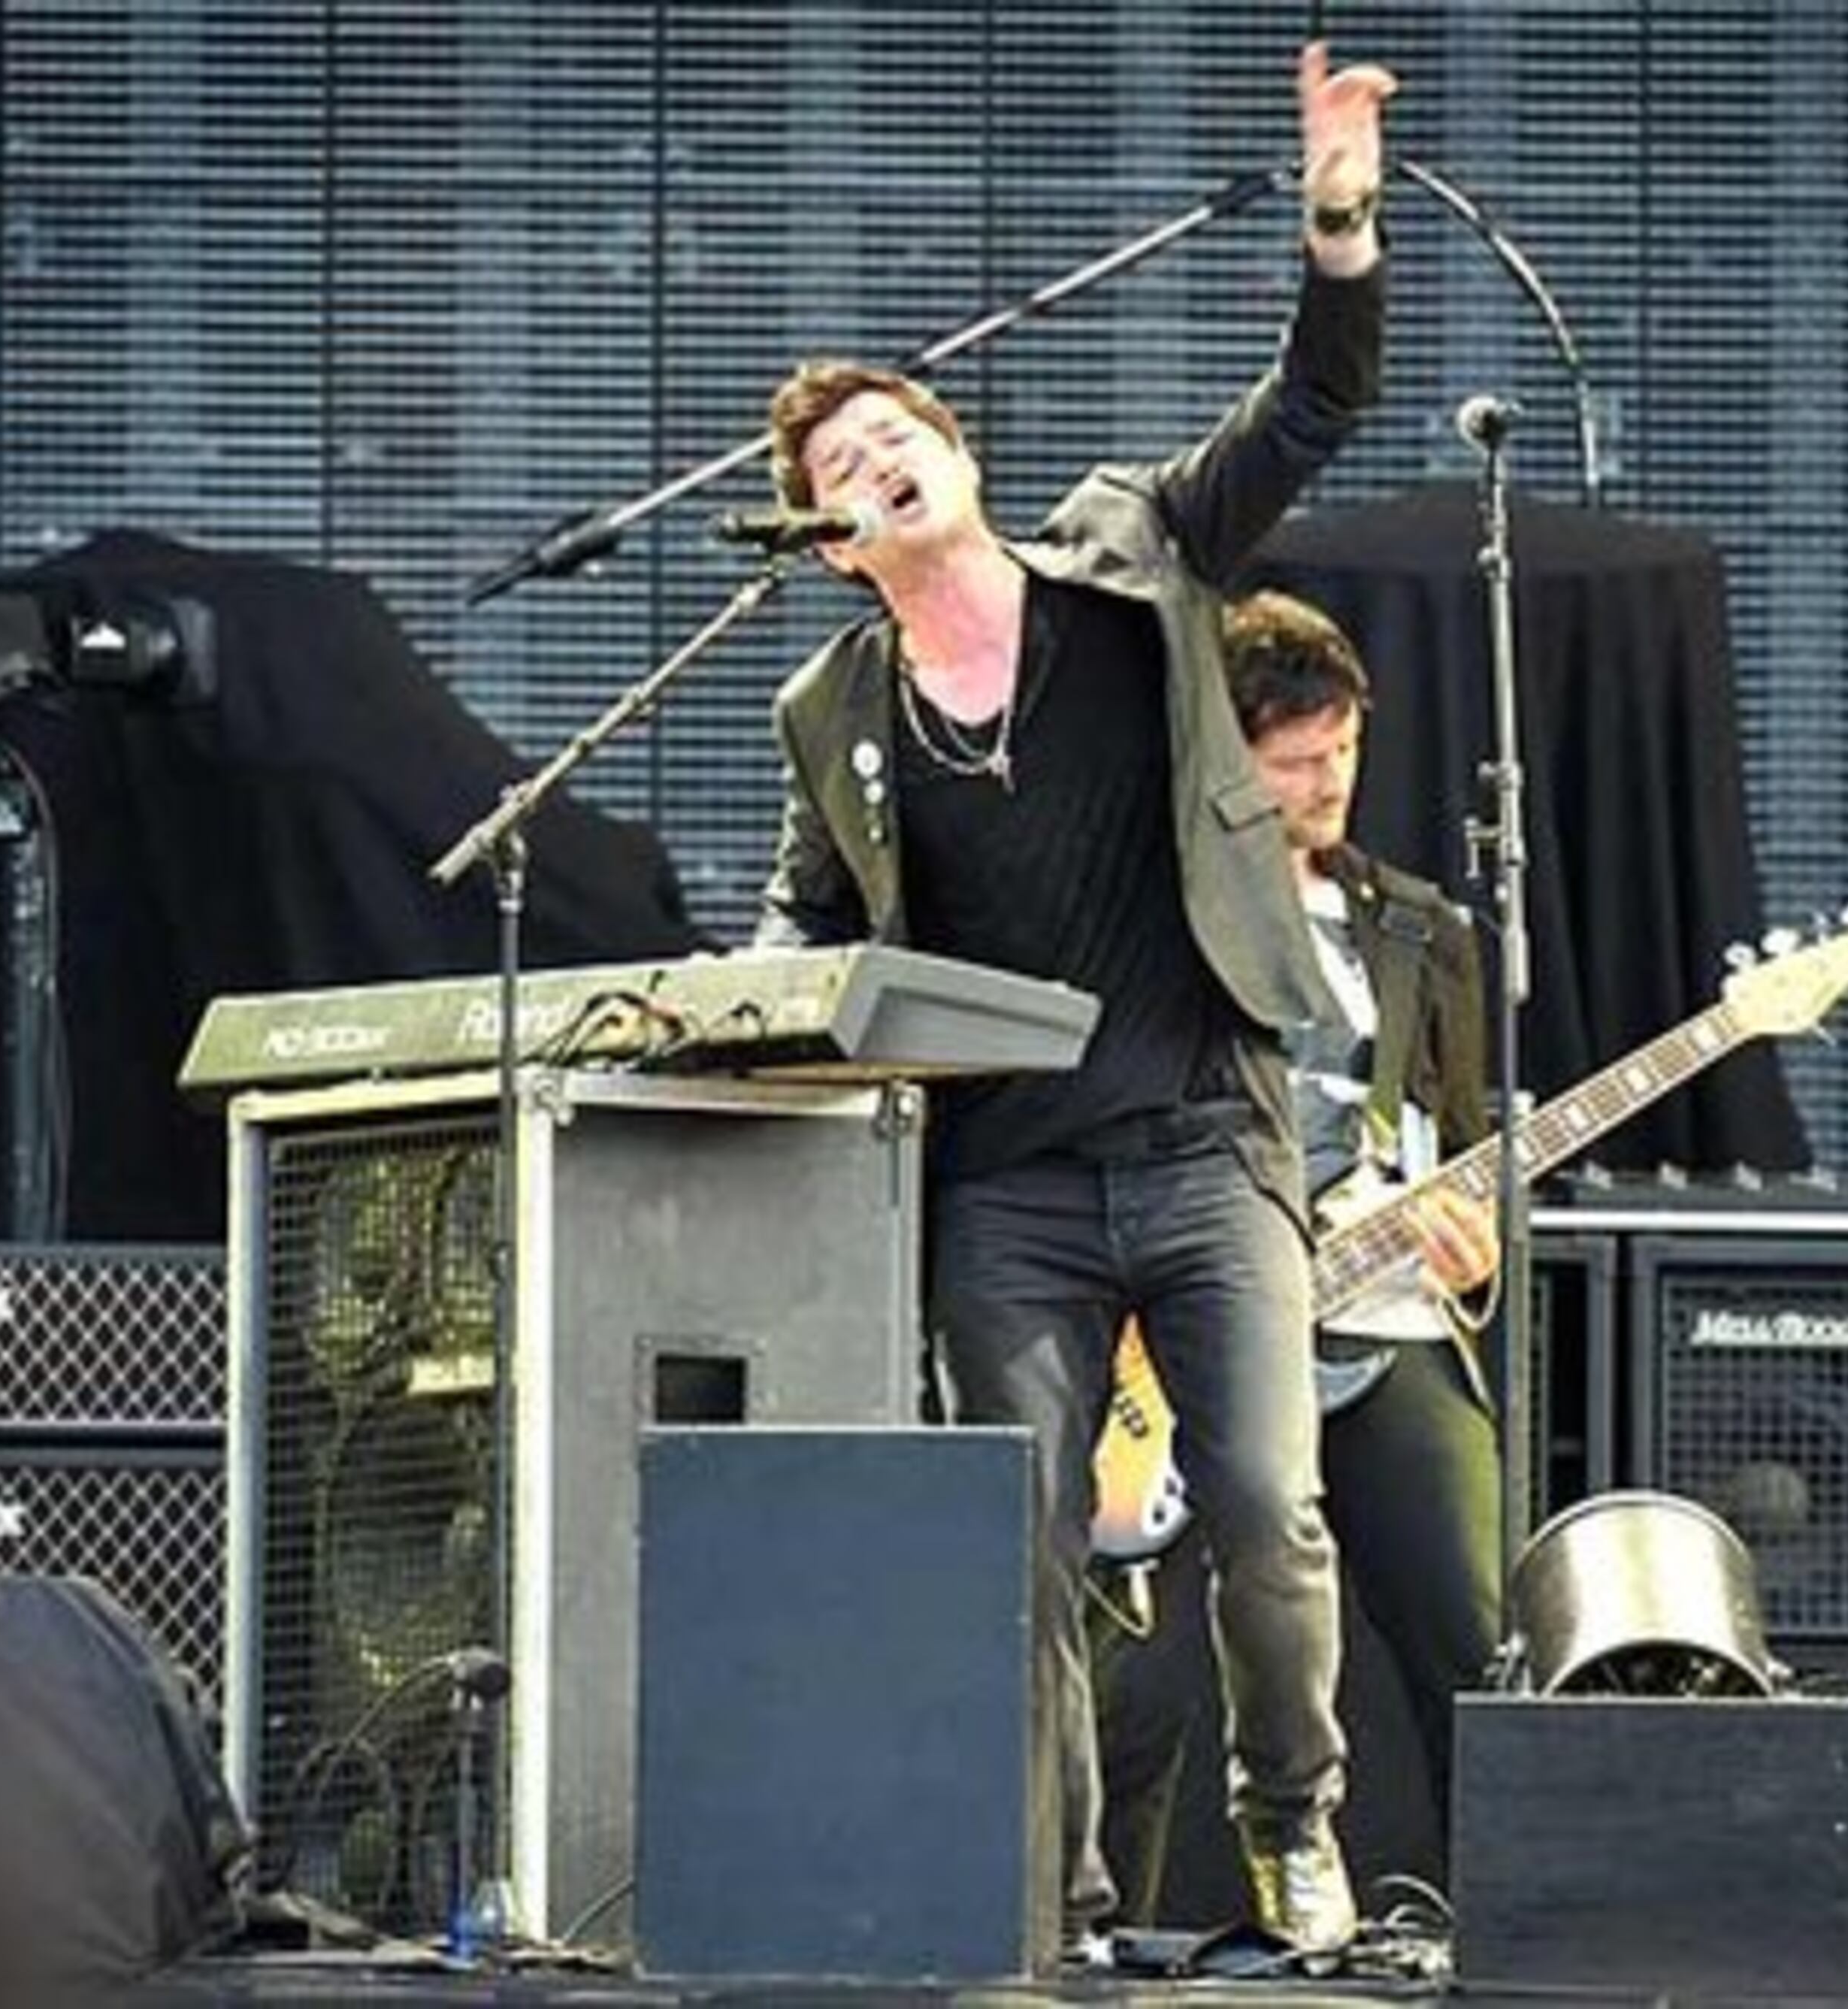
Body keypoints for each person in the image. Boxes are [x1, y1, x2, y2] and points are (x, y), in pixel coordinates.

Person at [752, 44, 1398, 1956]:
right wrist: (775, 999)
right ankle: (1052, 1889)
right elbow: (812, 919)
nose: (875, 466)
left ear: (952, 455)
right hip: (1004, 1187)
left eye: (894, 438)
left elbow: (1312, 403)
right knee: (1011, 1552)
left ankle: (1290, 1818)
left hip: (1201, 1131)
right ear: (823, 544)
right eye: (834, 476)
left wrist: (1336, 220)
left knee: (1269, 1502)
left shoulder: (1133, 548)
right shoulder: (831, 713)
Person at [1089, 588, 1504, 1926]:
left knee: (1471, 1631)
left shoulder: (1421, 928)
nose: (1327, 784)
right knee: (1130, 1679)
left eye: (1344, 753)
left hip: (1381, 1322)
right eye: (1293, 759)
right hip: (1177, 1318)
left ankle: (1507, 1931)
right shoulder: (1139, 919)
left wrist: (1473, 1244)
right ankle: (1091, 1935)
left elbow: (1464, 1135)